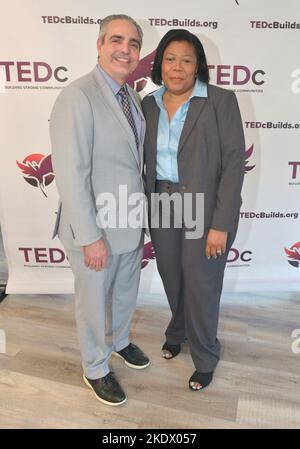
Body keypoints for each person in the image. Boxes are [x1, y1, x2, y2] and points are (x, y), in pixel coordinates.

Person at [50, 14, 150, 407]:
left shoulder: (132, 97)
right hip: (94, 228)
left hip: (128, 220)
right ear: (99, 45)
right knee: (92, 302)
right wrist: (90, 236)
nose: (125, 50)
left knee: (126, 291)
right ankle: (94, 366)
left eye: (133, 43)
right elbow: (72, 174)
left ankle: (121, 341)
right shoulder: (78, 96)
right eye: (116, 40)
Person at [142, 29, 245, 391]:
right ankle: (179, 330)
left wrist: (220, 224)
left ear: (198, 65)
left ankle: (205, 354)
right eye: (170, 59)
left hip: (205, 208)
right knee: (173, 276)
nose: (178, 68)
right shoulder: (148, 104)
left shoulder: (220, 101)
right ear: (159, 64)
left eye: (187, 60)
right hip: (162, 203)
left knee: (201, 283)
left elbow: (234, 165)